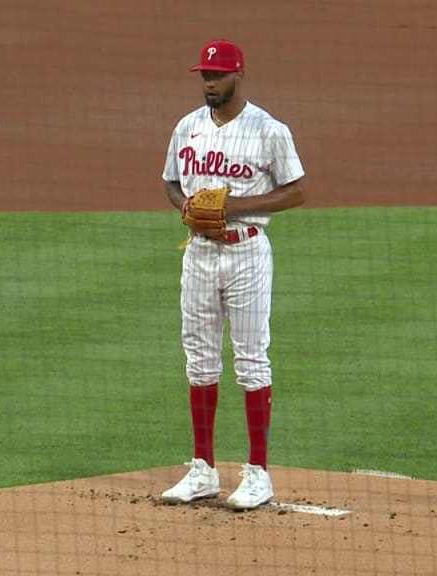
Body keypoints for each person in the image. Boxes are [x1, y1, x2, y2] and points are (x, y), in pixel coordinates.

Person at [159, 39, 307, 510]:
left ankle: (258, 473)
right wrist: (186, 206)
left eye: (216, 75)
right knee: (199, 361)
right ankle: (203, 469)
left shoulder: (268, 130)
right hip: (199, 255)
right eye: (204, 75)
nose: (208, 83)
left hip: (247, 255)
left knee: (251, 361)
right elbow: (169, 182)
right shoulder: (187, 127)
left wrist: (238, 206)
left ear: (238, 75)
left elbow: (295, 191)